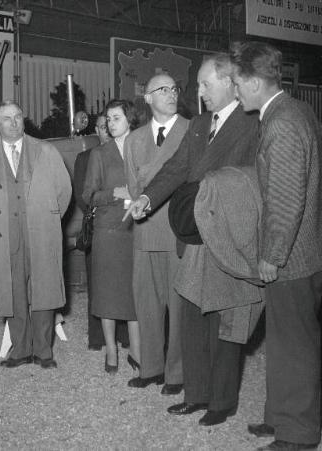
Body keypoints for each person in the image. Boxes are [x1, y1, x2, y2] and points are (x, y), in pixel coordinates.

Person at [124, 53, 259, 425]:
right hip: (193, 234)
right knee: (193, 320)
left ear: (230, 82)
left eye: (205, 84)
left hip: (227, 237)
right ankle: (196, 394)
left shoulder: (252, 123)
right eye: (198, 85)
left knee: (225, 324)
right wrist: (147, 199)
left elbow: (254, 181)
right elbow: (176, 169)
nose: (198, 92)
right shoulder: (199, 124)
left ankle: (222, 402)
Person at [231, 41, 322, 451]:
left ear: (253, 81)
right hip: (307, 251)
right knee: (285, 341)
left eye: (237, 82)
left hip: (293, 257)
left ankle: (298, 434)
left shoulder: (282, 122)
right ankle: (278, 415)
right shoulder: (296, 110)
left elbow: (287, 199)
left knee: (294, 345)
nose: (235, 91)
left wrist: (273, 255)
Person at [0, 100, 72, 369]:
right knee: (12, 291)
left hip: (41, 233)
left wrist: (46, 219)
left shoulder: (46, 152)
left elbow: (64, 192)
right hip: (6, 236)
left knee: (44, 290)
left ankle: (43, 350)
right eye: (7, 118)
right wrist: (2, 223)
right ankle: (20, 349)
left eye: (17, 117)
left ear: (23, 119)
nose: (13, 122)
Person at [124, 74, 189, 394]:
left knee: (179, 307)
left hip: (178, 232)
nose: (171, 93)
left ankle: (177, 373)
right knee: (146, 304)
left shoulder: (192, 131)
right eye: (162, 89)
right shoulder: (134, 140)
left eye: (174, 88)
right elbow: (134, 187)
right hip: (145, 232)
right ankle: (151, 367)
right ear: (146, 98)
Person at [82, 99, 140, 374]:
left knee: (135, 292)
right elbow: (88, 196)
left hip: (137, 230)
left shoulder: (143, 149)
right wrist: (116, 193)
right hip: (107, 232)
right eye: (108, 119)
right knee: (106, 294)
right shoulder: (99, 154)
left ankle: (137, 351)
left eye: (116, 118)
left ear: (130, 119)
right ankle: (111, 350)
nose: (110, 123)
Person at [73, 113, 129, 351]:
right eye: (101, 127)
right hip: (98, 226)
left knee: (124, 282)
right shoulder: (86, 157)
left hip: (125, 226)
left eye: (109, 125)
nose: (106, 130)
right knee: (98, 285)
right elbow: (81, 195)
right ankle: (98, 337)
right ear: (96, 130)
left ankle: (126, 336)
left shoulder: (129, 152)